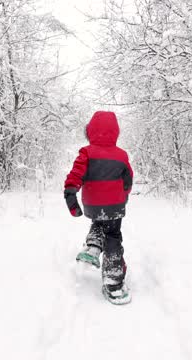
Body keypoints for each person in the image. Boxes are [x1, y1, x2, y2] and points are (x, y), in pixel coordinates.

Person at [64, 111, 134, 305]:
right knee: (113, 235)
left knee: (98, 221)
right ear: (115, 132)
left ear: (90, 131)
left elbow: (75, 175)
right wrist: (124, 195)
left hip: (93, 203)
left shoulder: (86, 152)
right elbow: (128, 180)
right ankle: (113, 282)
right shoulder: (121, 155)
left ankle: (94, 245)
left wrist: (70, 194)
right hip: (115, 205)